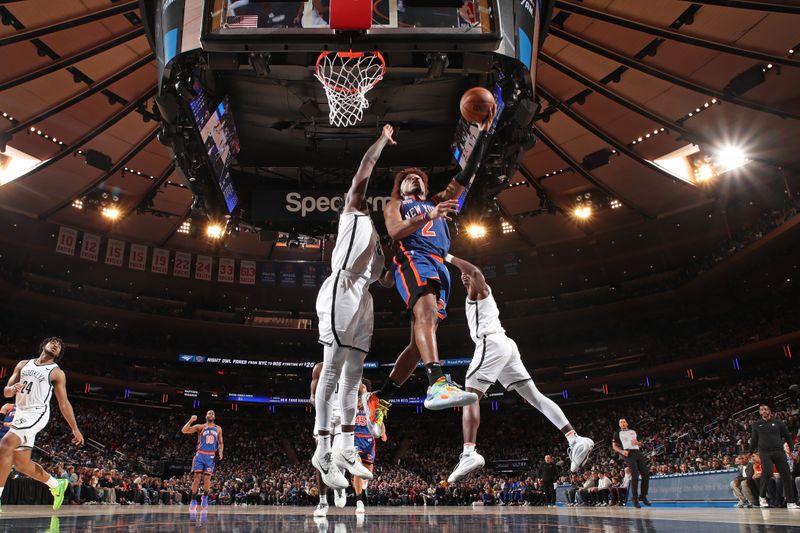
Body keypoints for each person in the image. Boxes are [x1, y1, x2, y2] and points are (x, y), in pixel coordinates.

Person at [362, 106, 497, 428]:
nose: (412, 178)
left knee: (418, 342)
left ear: (424, 185)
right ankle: (437, 382)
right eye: (407, 178)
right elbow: (395, 232)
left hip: (438, 266)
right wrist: (428, 216)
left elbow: (466, 175)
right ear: (402, 188)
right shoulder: (399, 205)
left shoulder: (438, 200)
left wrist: (483, 134)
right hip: (411, 259)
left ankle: (381, 398)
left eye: (418, 177)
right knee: (424, 318)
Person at [444, 257, 594, 482]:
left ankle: (469, 452)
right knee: (536, 397)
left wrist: (447, 257)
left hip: (491, 343)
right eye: (462, 277)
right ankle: (575, 439)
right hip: (505, 346)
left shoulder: (482, 293)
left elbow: (475, 271)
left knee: (469, 397)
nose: (464, 277)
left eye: (467, 276)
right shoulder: (473, 297)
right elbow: (471, 275)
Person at [312, 125, 396, 491]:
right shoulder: (353, 213)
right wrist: (380, 142)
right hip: (342, 287)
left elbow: (389, 282)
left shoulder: (381, 246)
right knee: (331, 369)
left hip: (364, 298)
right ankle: (321, 447)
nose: (362, 197)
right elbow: (363, 172)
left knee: (354, 377)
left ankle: (346, 447)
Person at [0, 337, 83, 511]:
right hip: (20, 412)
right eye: (53, 342)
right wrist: (12, 388)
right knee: (22, 464)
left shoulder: (56, 372)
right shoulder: (23, 364)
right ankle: (56, 484)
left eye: (59, 345)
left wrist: (75, 428)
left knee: (5, 445)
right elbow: (7, 392)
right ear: (43, 345)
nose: (56, 344)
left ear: (58, 353)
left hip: (36, 413)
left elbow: (64, 403)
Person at [310, 362, 346, 517]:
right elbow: (312, 396)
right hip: (324, 415)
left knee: (339, 456)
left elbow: (357, 391)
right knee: (322, 459)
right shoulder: (319, 368)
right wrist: (320, 405)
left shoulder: (349, 366)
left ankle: (339, 487)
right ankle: (323, 502)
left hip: (343, 415)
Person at [749, 403, 798, 509]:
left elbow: (787, 436)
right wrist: (750, 452)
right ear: (760, 412)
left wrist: (792, 450)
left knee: (786, 475)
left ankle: (790, 502)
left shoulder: (778, 423)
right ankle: (762, 496)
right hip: (765, 452)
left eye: (766, 409)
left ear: (770, 411)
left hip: (779, 451)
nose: (764, 411)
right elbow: (754, 440)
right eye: (761, 409)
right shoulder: (756, 424)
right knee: (767, 473)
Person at [353, 380, 387, 515]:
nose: (360, 387)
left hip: (369, 440)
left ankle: (364, 482)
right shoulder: (350, 400)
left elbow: (380, 421)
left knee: (368, 474)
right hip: (355, 438)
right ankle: (359, 501)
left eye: (363, 386)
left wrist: (383, 433)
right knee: (357, 468)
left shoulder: (372, 402)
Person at [182, 410, 223, 511]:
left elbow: (221, 443)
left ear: (215, 417)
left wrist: (221, 452)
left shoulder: (218, 428)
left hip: (210, 456)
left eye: (213, 413)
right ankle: (193, 500)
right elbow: (184, 430)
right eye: (209, 413)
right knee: (196, 478)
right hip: (200, 454)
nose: (211, 414)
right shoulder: (201, 427)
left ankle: (205, 497)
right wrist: (191, 420)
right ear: (206, 416)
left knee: (207, 479)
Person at [612, 418, 650, 508]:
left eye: (624, 422)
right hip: (628, 453)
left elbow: (640, 443)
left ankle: (643, 496)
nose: (623, 423)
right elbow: (614, 446)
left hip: (637, 452)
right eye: (621, 422)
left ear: (627, 423)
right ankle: (635, 498)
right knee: (635, 475)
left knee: (646, 474)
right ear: (619, 425)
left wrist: (639, 443)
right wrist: (621, 452)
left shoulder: (633, 431)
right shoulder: (617, 433)